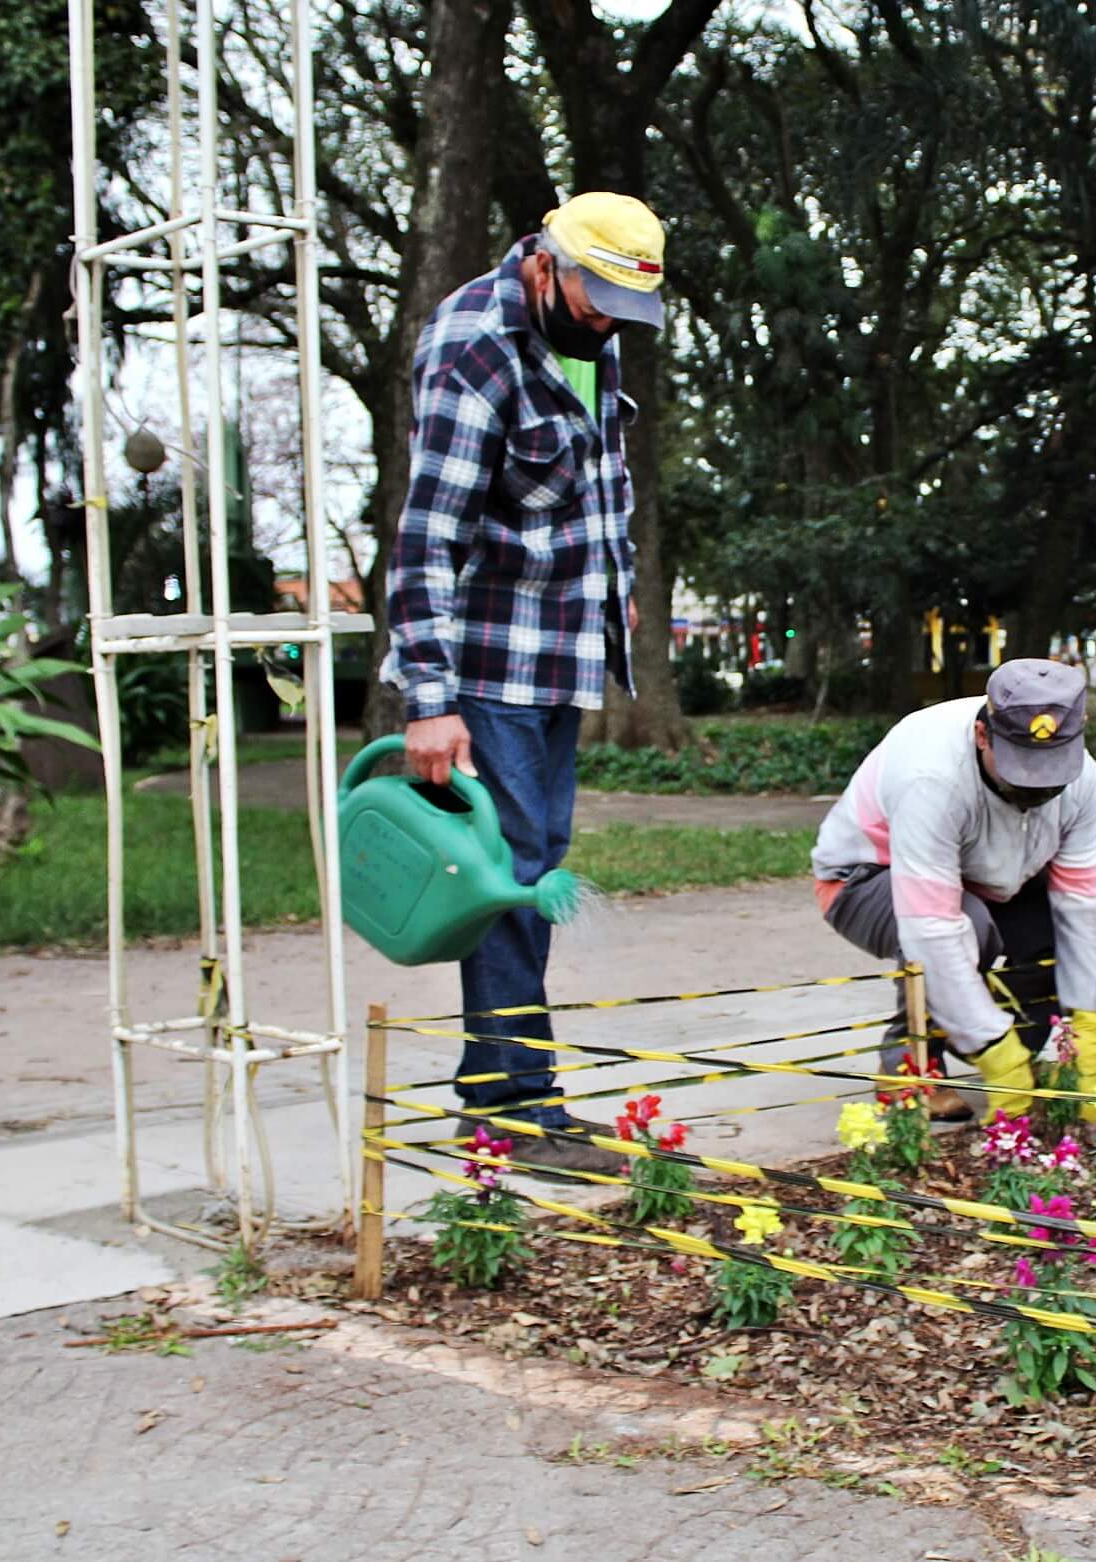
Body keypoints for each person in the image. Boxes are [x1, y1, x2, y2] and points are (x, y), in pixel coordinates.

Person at [381, 191, 667, 1178]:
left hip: (557, 645)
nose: (607, 324)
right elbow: (428, 535)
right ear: (548, 265)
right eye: (595, 303)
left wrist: (615, 581)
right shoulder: (475, 348)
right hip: (488, 657)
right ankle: (514, 1109)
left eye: (624, 312)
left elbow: (601, 472)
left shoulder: (595, 330)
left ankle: (508, 1089)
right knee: (509, 875)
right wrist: (428, 696)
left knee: (535, 861)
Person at [812, 659, 1096, 1122]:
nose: (1039, 788)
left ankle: (1015, 1041)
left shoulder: (1082, 778)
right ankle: (914, 1063)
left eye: (1051, 772)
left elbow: (1083, 902)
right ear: (984, 736)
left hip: (990, 877)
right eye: (1024, 770)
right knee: (966, 928)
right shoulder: (933, 776)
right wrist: (989, 1044)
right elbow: (932, 927)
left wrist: (1092, 1024)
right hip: (864, 879)